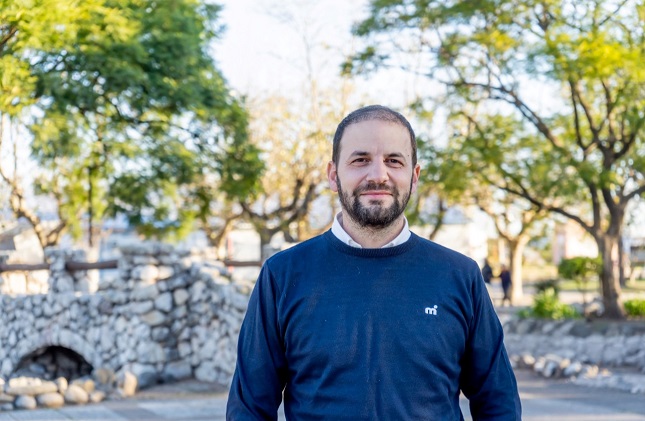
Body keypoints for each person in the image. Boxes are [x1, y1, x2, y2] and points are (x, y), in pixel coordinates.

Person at [226, 105, 521, 420]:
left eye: (394, 161)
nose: (379, 175)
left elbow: (498, 403)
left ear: (414, 176)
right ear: (333, 175)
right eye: (360, 160)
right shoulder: (282, 275)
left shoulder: (460, 276)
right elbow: (249, 409)